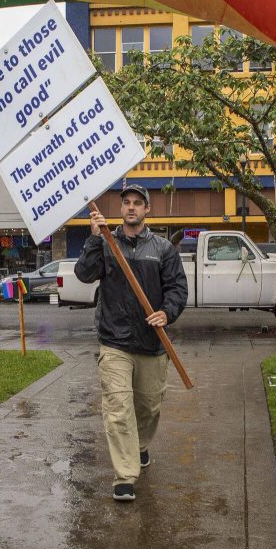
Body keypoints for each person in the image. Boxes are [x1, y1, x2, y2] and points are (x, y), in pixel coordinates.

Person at [75, 185, 188, 502]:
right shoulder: (107, 243)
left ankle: (139, 446)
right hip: (114, 343)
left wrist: (167, 312)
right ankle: (125, 476)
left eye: (138, 204)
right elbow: (85, 274)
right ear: (121, 208)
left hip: (152, 344)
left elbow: (177, 288)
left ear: (147, 210)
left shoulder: (163, 249)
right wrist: (95, 238)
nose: (131, 208)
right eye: (126, 203)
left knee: (148, 407)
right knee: (119, 408)